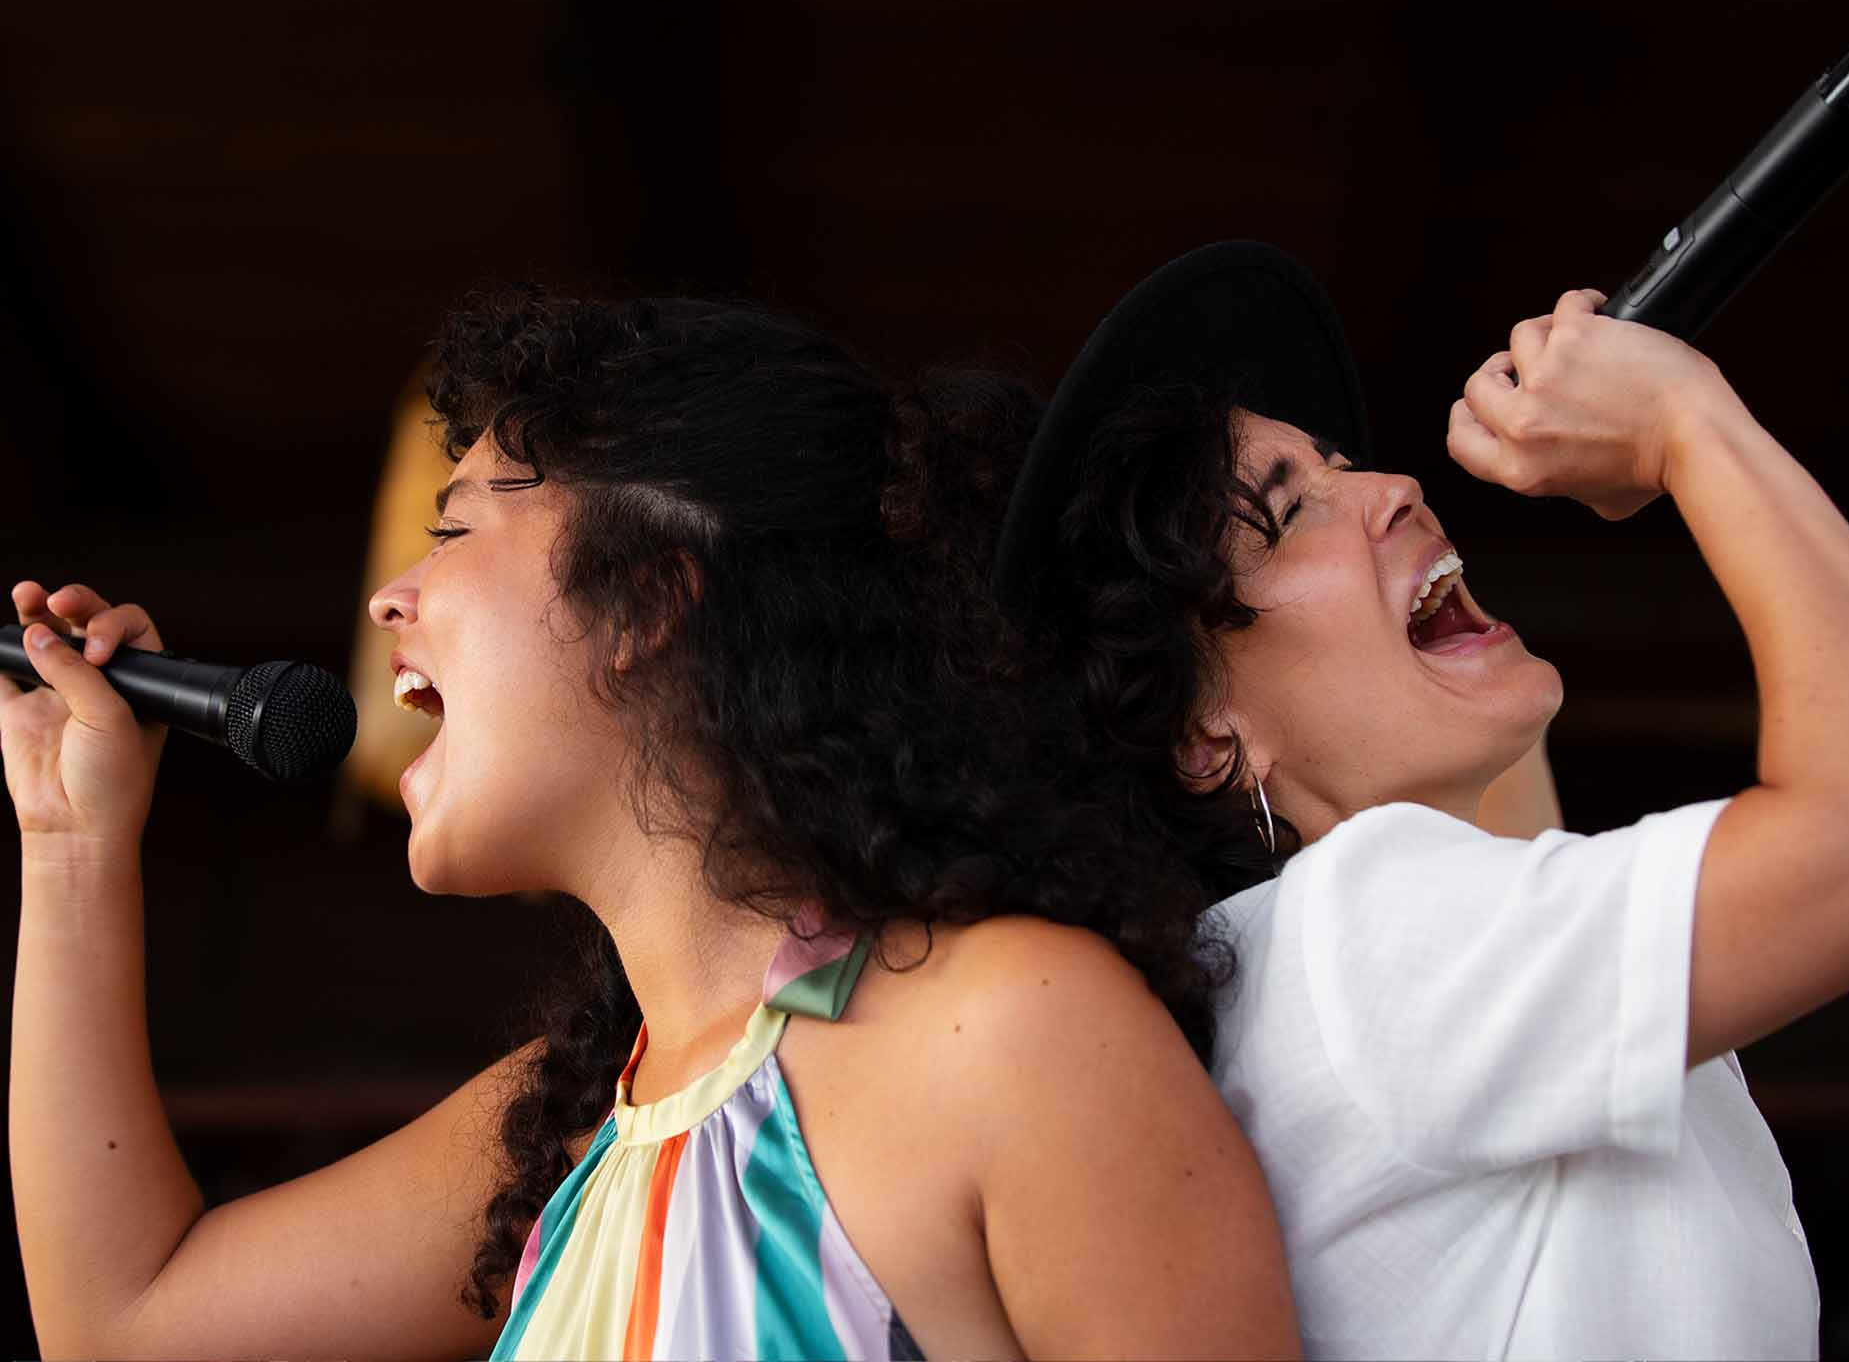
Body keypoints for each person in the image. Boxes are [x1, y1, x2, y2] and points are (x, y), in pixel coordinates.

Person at [1, 288, 1299, 1360]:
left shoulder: (1008, 1026)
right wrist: (69, 839)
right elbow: (125, 1322)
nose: (391, 596)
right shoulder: (572, 1115)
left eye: (457, 526)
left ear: (648, 599)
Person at [968, 241, 1849, 1358]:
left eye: (1344, 463)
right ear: (1206, 739)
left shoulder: (1351, 966)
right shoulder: (1364, 938)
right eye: (1290, 510)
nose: (1393, 486)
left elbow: (1517, 803)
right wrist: (1684, 423)